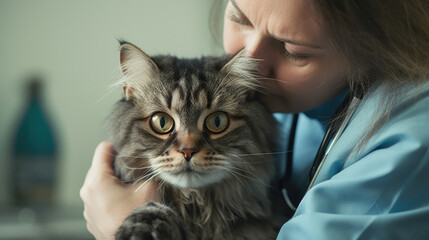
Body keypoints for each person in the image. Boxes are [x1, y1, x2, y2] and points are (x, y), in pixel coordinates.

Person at [80, 0, 429, 239]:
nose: (252, 62)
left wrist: (117, 227)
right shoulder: (289, 101)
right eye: (240, 18)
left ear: (371, 50)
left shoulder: (409, 144)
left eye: (294, 50)